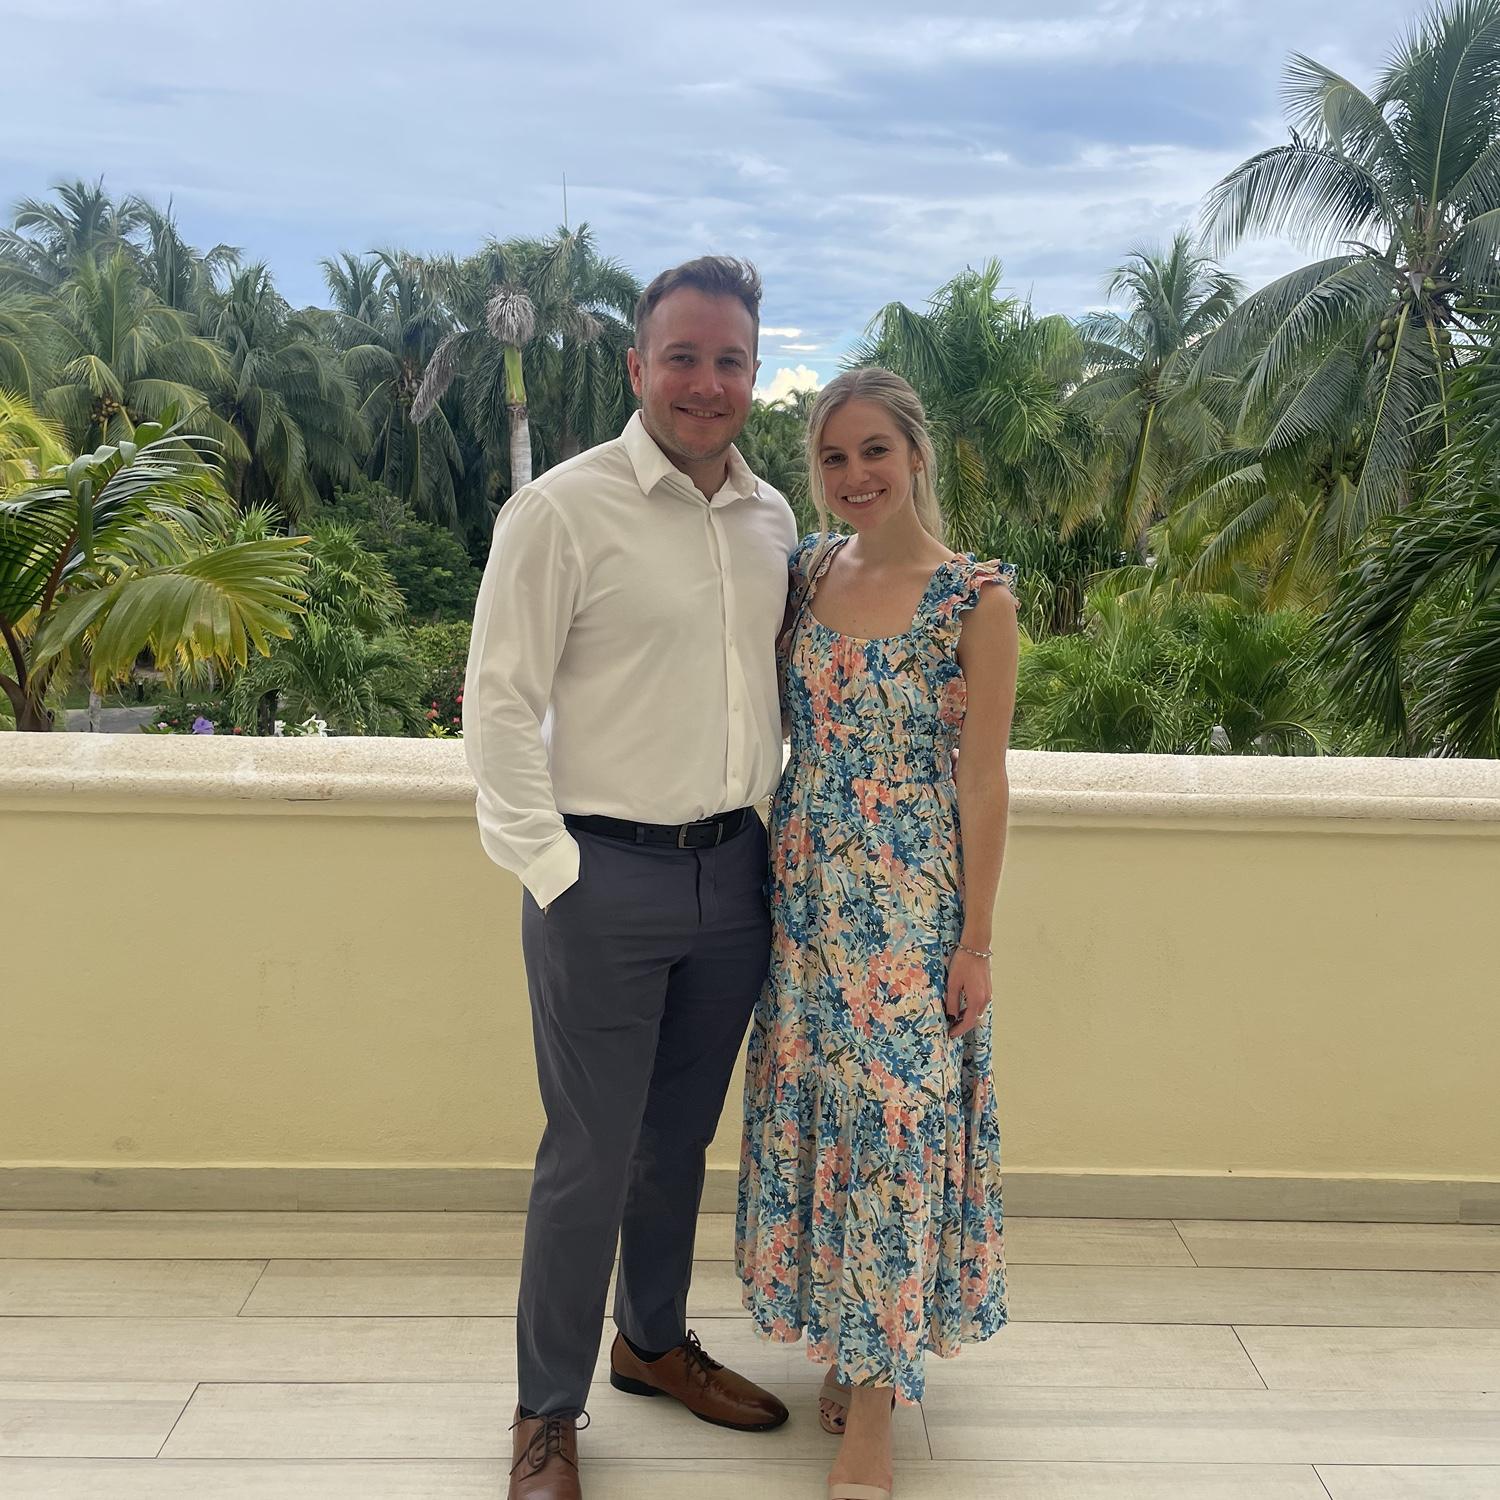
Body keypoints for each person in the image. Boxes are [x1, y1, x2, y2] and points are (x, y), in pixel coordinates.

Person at [463, 256, 798, 1500]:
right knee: (587, 1155)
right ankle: (545, 1413)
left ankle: (651, 1342)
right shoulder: (561, 510)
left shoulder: (772, 520)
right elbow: (499, 702)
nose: (707, 383)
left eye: (730, 361)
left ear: (754, 372)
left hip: (736, 877)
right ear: (636, 366)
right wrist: (553, 869)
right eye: (683, 357)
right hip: (601, 877)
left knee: (676, 1143)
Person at [736, 368, 1017, 1500]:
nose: (855, 475)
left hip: (909, 913)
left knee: (894, 1135)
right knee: (824, 1120)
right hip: (802, 901)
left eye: (874, 451)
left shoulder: (974, 601)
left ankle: (872, 1415)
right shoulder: (805, 572)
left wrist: (976, 943)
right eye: (834, 457)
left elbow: (984, 784)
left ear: (915, 455)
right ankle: (855, 1348)